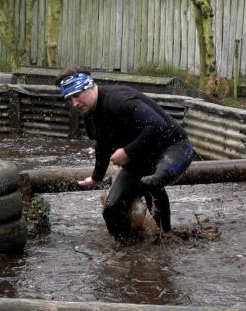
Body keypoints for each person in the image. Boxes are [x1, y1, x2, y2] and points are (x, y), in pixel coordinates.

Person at [55, 65, 195, 242]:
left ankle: (166, 237)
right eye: (69, 99)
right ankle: (127, 249)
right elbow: (103, 145)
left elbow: (158, 125)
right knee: (111, 210)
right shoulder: (90, 115)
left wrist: (128, 151)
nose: (74, 103)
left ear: (89, 86)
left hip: (174, 147)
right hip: (141, 157)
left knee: (151, 182)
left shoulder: (118, 100)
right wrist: (96, 177)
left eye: (77, 95)